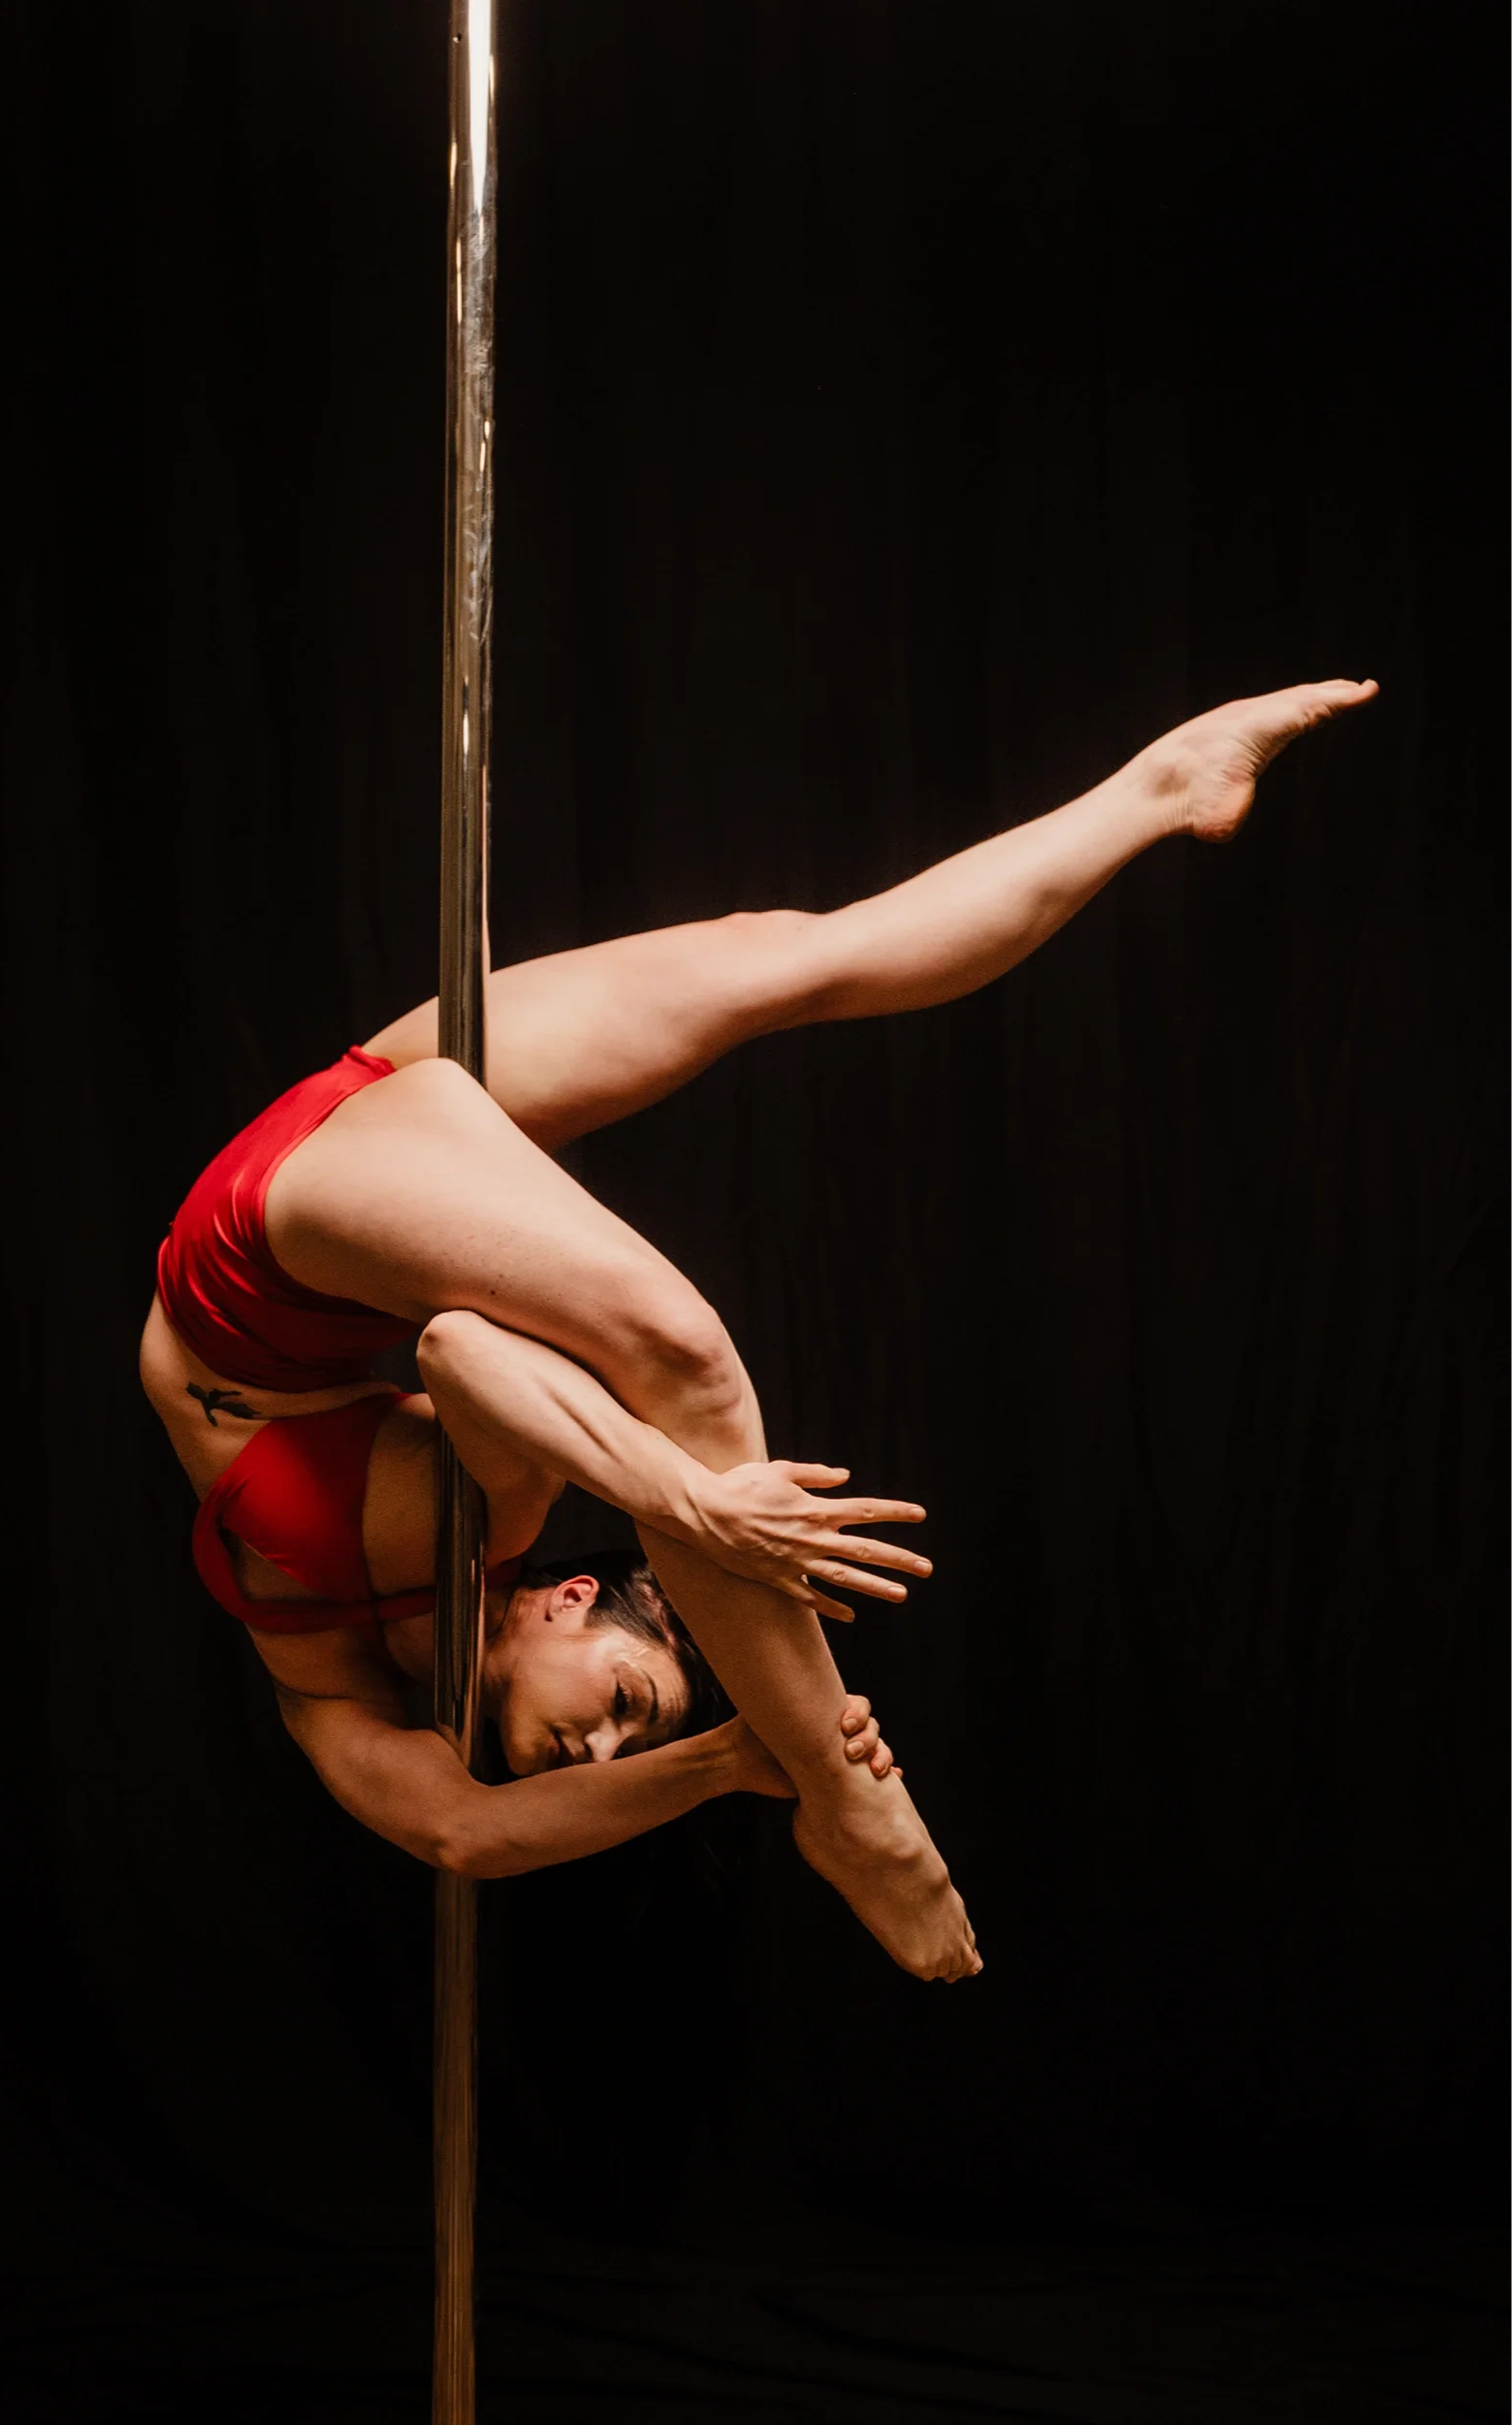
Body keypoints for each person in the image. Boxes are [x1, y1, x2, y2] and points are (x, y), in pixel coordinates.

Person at [141, 678, 1377, 1984]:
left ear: (570, 1603)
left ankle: (1156, 787)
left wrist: (744, 1718)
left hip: (254, 1272)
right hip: (329, 1202)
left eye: (625, 1716)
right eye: (633, 1718)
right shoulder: (494, 1519)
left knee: (713, 1247)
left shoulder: (337, 1685)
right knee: (789, 971)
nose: (606, 1750)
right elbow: (457, 1354)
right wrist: (709, 1594)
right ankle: (1161, 789)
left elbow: (460, 1828)